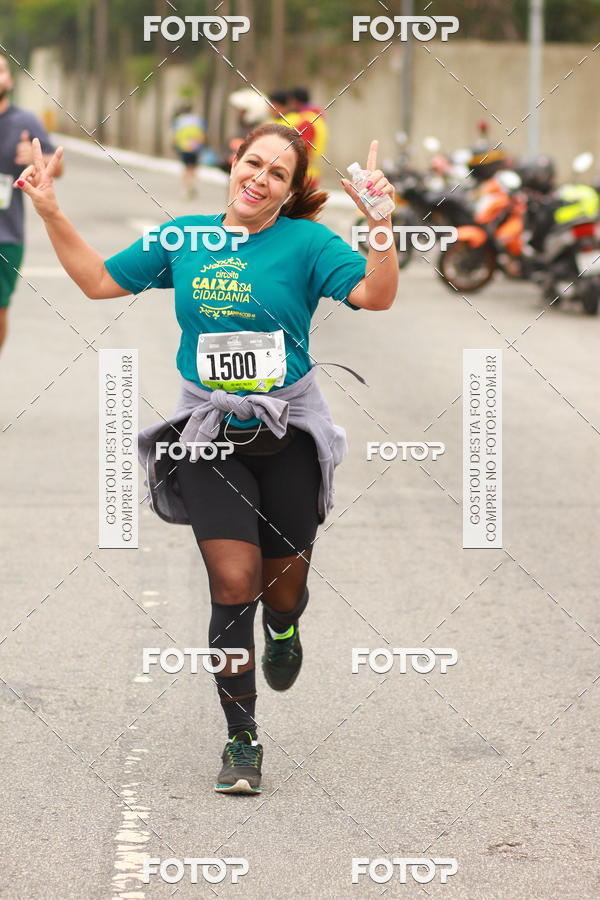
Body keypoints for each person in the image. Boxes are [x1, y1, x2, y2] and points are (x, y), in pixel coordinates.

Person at [16, 123, 398, 794]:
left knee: (281, 589)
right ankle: (242, 741)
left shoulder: (308, 244)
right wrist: (49, 208)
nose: (260, 179)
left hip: (288, 438)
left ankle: (285, 627)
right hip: (210, 433)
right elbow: (100, 282)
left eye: (278, 174)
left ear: (290, 191)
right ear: (234, 162)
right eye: (254, 162)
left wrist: (381, 225)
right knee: (232, 581)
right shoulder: (184, 238)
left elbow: (377, 294)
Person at [0, 53, 63, 353]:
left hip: (5, 235)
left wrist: (38, 159)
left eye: (0, 70)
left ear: (9, 80)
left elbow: (57, 167)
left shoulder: (25, 122)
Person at [284, 87, 328, 188]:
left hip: (303, 176)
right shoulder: (317, 118)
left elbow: (303, 150)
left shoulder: (306, 121)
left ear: (294, 101)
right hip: (312, 174)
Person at [171, 103, 206, 199]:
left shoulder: (179, 121)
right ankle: (191, 186)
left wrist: (175, 147)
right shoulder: (198, 120)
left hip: (184, 148)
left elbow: (175, 135)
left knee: (186, 169)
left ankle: (185, 189)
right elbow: (202, 134)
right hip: (195, 148)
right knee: (193, 169)